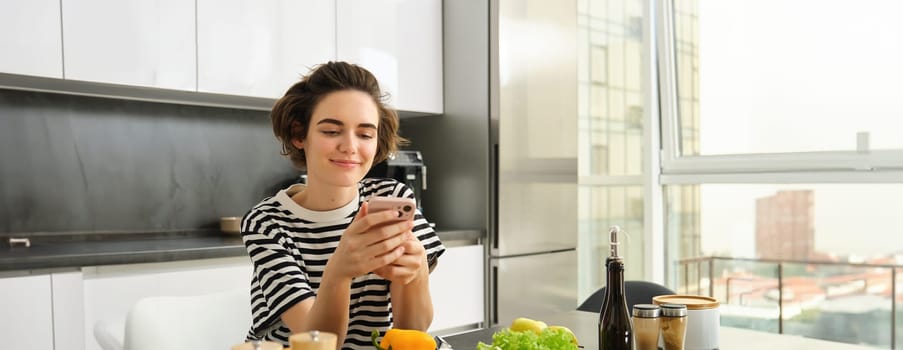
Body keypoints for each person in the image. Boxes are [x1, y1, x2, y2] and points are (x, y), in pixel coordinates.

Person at [241, 61, 445, 349]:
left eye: (365, 134)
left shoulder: (394, 199)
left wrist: (417, 271)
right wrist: (339, 271)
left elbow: (411, 332)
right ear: (300, 134)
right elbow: (318, 344)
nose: (350, 146)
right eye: (331, 131)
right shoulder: (267, 222)